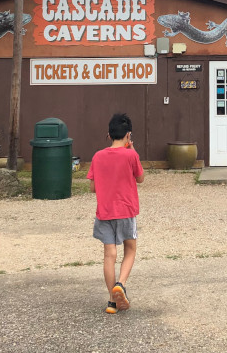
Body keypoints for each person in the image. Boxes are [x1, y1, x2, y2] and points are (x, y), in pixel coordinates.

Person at [87, 113, 144, 314]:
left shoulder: (97, 156)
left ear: (108, 134)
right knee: (130, 249)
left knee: (109, 255)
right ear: (128, 135)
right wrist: (132, 148)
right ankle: (121, 283)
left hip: (104, 212)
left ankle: (112, 301)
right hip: (126, 210)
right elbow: (141, 178)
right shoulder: (131, 155)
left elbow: (93, 188)